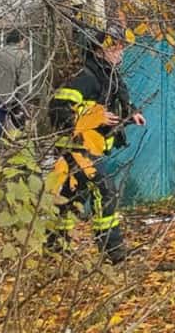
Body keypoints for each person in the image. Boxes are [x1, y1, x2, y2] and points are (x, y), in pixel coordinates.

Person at [47, 27, 146, 262]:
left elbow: (109, 105)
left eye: (122, 49)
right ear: (100, 50)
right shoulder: (85, 77)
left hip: (90, 147)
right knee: (105, 190)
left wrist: (130, 114)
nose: (120, 54)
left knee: (71, 200)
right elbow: (58, 109)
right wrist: (93, 117)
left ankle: (53, 248)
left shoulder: (106, 76)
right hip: (76, 148)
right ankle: (114, 252)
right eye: (116, 49)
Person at [0, 29, 33, 163]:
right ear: (21, 40)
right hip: (9, 101)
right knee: (16, 136)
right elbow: (24, 83)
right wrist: (21, 104)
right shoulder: (23, 55)